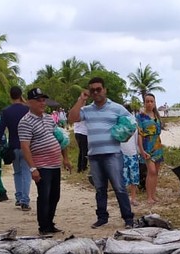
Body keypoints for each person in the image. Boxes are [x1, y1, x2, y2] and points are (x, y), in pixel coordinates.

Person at [67, 76, 136, 229]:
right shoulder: (87, 109)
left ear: (105, 90)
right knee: (100, 189)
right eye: (92, 90)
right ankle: (102, 218)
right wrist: (81, 100)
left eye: (99, 89)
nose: (96, 92)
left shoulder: (116, 108)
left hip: (113, 154)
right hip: (94, 155)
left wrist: (124, 135)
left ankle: (128, 218)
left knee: (119, 187)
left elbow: (132, 123)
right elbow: (72, 118)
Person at [19, 88, 70, 236]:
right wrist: (32, 168)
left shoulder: (49, 118)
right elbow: (25, 147)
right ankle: (43, 226)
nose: (42, 103)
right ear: (29, 103)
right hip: (42, 165)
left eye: (43, 100)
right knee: (44, 195)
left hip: (55, 164)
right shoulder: (25, 122)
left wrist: (65, 158)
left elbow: (60, 138)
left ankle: (50, 222)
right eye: (38, 100)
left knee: (55, 195)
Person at [0, 86, 31, 210]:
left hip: (13, 146)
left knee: (17, 172)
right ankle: (25, 200)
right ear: (21, 95)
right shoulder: (27, 109)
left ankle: (19, 197)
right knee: (26, 173)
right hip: (27, 146)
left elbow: (0, 130)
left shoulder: (6, 111)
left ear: (10, 96)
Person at [137, 92, 164, 205]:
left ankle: (153, 195)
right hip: (147, 145)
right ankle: (148, 196)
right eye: (147, 101)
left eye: (151, 101)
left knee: (156, 172)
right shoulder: (140, 117)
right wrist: (141, 150)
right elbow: (139, 134)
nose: (149, 103)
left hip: (157, 145)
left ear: (154, 103)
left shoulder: (156, 115)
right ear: (144, 103)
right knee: (151, 171)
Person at [120, 108, 141, 206]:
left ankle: (133, 198)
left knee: (134, 178)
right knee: (124, 178)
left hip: (133, 154)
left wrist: (138, 152)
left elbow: (137, 140)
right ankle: (125, 199)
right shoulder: (119, 126)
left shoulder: (134, 126)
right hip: (122, 154)